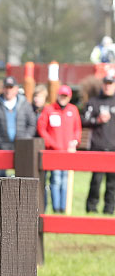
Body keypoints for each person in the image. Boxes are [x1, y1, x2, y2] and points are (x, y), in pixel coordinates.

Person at [37, 84, 82, 213]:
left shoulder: (73, 110)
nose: (63, 98)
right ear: (57, 95)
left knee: (66, 180)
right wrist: (51, 143)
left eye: (65, 96)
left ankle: (64, 207)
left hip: (68, 152)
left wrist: (75, 141)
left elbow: (77, 128)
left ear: (69, 97)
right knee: (55, 179)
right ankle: (57, 208)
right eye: (61, 95)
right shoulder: (49, 109)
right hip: (54, 152)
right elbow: (42, 128)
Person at [0, 76, 37, 177]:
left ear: (16, 89)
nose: (8, 90)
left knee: (22, 177)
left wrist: (26, 139)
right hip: (1, 148)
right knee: (1, 178)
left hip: (21, 148)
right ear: (3, 88)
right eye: (6, 87)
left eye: (11, 87)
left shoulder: (25, 104)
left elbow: (32, 123)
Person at [83, 75, 115, 213]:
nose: (108, 86)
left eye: (110, 83)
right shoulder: (94, 101)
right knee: (96, 181)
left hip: (113, 148)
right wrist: (98, 120)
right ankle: (91, 209)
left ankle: (109, 210)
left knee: (112, 183)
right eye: (106, 83)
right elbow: (84, 120)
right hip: (98, 148)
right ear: (103, 85)